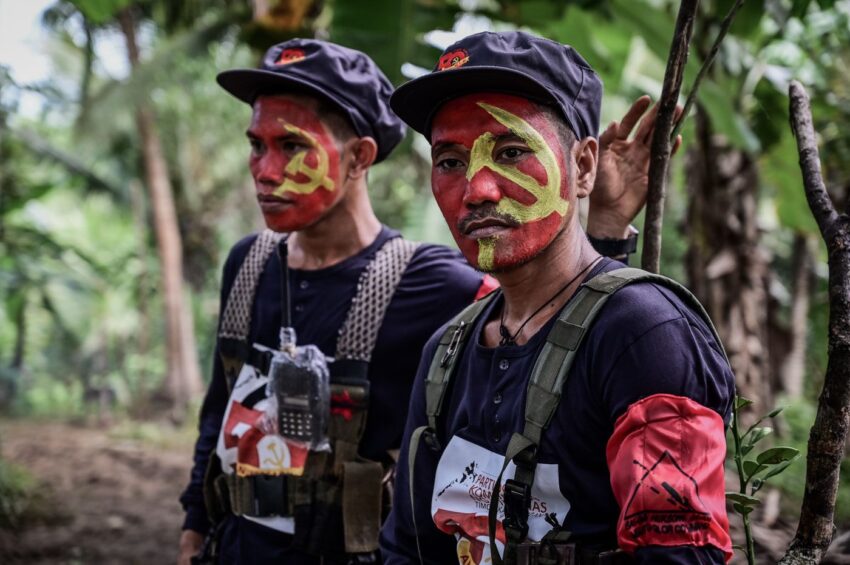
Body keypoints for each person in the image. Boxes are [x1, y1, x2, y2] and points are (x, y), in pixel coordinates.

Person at [177, 37, 667, 565]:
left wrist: (605, 231)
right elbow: (220, 410)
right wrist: (194, 531)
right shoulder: (248, 264)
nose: (265, 170)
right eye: (256, 145)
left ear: (360, 157)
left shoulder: (436, 283)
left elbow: (554, 331)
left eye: (293, 146)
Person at [380, 31, 735, 565]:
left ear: (584, 167)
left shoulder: (644, 333)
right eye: (449, 161)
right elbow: (407, 548)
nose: (476, 190)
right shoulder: (445, 353)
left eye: (512, 152)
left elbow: (681, 555)